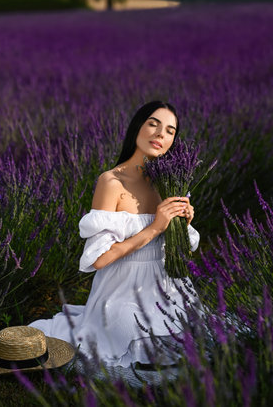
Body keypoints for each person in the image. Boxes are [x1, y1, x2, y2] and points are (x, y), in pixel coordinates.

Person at [29, 100, 201, 368]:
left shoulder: (170, 182)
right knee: (140, 342)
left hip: (167, 285)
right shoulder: (111, 182)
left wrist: (183, 224)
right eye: (153, 124)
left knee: (189, 337)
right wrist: (156, 227)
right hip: (121, 289)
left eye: (170, 130)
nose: (160, 135)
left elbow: (184, 251)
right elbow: (99, 260)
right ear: (137, 128)